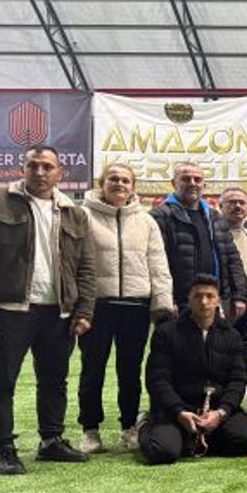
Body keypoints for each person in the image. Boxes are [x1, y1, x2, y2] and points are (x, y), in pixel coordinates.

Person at [0, 145, 96, 474]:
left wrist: (84, 309)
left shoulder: (74, 212)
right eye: (33, 166)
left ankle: (51, 441)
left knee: (54, 380)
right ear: (22, 169)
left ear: (60, 173)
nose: (40, 172)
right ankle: (4, 449)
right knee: (0, 381)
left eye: (47, 167)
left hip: (59, 312)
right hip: (7, 310)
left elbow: (86, 266)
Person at [77, 163, 173, 453]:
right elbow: (73, 261)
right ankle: (90, 430)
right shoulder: (83, 216)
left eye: (125, 180)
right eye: (113, 179)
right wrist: (77, 303)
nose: (119, 184)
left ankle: (129, 426)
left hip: (135, 305)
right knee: (92, 369)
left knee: (130, 371)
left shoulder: (146, 221)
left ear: (133, 187)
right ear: (102, 183)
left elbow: (158, 264)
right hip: (97, 305)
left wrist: (162, 303)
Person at [138, 275, 247, 465]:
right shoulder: (166, 332)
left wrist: (221, 413)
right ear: (189, 298)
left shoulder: (232, 335)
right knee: (163, 452)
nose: (204, 302)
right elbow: (157, 379)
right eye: (198, 296)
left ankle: (193, 440)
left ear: (218, 300)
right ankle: (145, 424)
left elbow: (238, 380)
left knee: (246, 440)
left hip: (216, 410)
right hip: (176, 411)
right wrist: (179, 412)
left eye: (210, 296)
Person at [151, 162, 247, 319]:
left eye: (197, 179)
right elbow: (155, 263)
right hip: (180, 303)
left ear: (204, 185)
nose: (192, 183)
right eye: (186, 179)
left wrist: (239, 296)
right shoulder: (160, 216)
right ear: (174, 183)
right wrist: (167, 299)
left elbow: (233, 260)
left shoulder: (215, 217)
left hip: (215, 301)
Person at [220, 186, 247, 307]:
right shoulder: (213, 233)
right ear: (221, 206)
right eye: (232, 202)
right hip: (226, 303)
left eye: (242, 203)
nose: (238, 206)